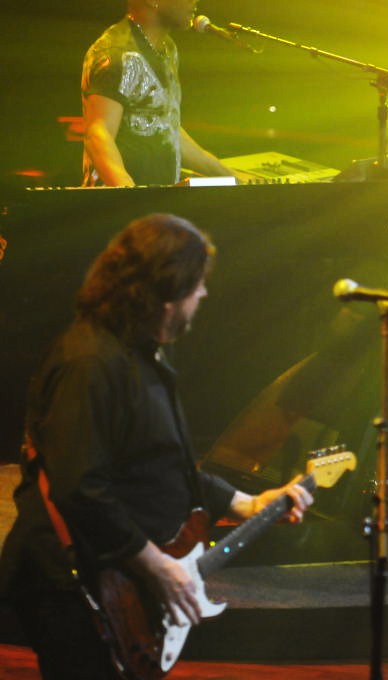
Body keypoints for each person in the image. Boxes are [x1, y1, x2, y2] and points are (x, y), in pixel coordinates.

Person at [0, 214, 313, 679]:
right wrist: (158, 568)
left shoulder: (142, 354)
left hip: (114, 579)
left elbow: (161, 466)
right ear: (168, 295)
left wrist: (248, 503)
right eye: (197, 286)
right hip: (68, 585)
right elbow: (80, 488)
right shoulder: (89, 362)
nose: (203, 295)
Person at [82, 0, 235, 186]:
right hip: (119, 201)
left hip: (156, 197)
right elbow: (99, 135)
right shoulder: (116, 53)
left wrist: (237, 178)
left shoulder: (168, 49)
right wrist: (131, 194)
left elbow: (167, 130)